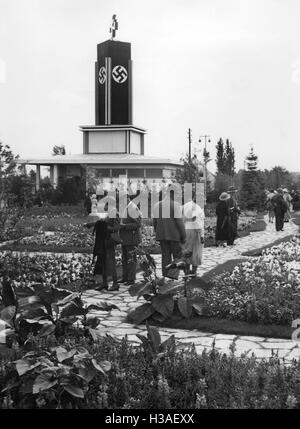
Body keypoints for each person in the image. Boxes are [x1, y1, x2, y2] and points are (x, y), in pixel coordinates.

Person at [153, 187, 186, 277]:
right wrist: (183, 235)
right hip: (174, 235)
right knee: (177, 257)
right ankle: (172, 277)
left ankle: (165, 276)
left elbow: (155, 222)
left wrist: (157, 232)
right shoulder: (175, 205)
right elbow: (179, 222)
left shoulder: (157, 205)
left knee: (165, 256)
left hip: (162, 235)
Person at [92, 199, 120, 291]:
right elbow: (103, 223)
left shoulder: (115, 214)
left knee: (110, 262)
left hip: (109, 241)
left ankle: (115, 284)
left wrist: (105, 227)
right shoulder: (109, 214)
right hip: (103, 240)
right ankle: (104, 283)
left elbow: (116, 227)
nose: (104, 207)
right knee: (103, 262)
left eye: (106, 205)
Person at [119, 197, 142, 285]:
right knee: (124, 258)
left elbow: (138, 223)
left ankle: (131, 279)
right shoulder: (126, 207)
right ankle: (125, 277)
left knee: (131, 259)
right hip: (125, 237)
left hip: (132, 238)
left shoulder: (132, 207)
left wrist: (124, 226)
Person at [182, 196, 205, 276]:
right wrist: (201, 235)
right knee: (196, 251)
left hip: (185, 229)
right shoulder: (197, 208)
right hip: (195, 231)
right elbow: (197, 221)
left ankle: (187, 270)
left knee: (187, 250)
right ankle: (193, 272)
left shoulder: (185, 205)